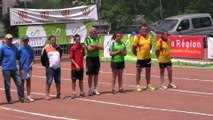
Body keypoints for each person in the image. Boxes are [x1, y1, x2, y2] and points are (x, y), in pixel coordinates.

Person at [0, 34, 26, 104]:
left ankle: (21, 98)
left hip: (14, 68)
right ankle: (9, 99)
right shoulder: (2, 48)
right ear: (6, 39)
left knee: (19, 83)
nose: (10, 40)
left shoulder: (14, 47)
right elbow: (0, 57)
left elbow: (17, 56)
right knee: (7, 85)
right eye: (8, 39)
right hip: (6, 69)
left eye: (11, 39)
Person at [132, 24, 156, 92]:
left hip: (148, 58)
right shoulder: (137, 38)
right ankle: (138, 86)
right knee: (139, 72)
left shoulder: (149, 37)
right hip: (140, 58)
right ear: (140, 30)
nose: (144, 31)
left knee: (148, 71)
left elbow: (150, 46)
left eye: (145, 30)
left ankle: (148, 85)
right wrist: (138, 54)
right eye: (143, 29)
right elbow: (133, 49)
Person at [41, 35, 62, 100]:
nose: (53, 41)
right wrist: (47, 65)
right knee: (49, 81)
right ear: (49, 41)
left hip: (57, 67)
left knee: (58, 81)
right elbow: (42, 58)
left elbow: (60, 56)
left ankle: (58, 93)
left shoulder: (58, 48)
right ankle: (47, 95)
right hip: (50, 68)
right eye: (52, 40)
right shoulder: (46, 48)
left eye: (54, 40)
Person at [84, 27, 103, 96]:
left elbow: (102, 47)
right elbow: (89, 49)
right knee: (90, 75)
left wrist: (94, 45)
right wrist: (97, 47)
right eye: (92, 32)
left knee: (96, 74)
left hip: (96, 58)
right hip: (90, 59)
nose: (94, 33)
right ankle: (90, 89)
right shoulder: (87, 39)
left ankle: (95, 89)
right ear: (90, 32)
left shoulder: (98, 39)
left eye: (95, 31)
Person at [18, 36, 35, 102]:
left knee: (28, 81)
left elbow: (33, 58)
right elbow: (17, 57)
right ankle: (22, 96)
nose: (26, 41)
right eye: (24, 40)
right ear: (23, 41)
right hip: (22, 68)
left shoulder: (31, 48)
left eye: (27, 40)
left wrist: (32, 63)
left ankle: (29, 95)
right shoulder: (20, 49)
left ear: (28, 40)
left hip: (29, 68)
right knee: (22, 82)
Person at [70, 34, 85, 99]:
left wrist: (82, 65)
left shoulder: (82, 47)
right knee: (74, 80)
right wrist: (76, 65)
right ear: (75, 40)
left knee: (81, 80)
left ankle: (81, 92)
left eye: (79, 39)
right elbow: (71, 58)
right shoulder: (72, 48)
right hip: (74, 68)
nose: (78, 41)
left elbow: (83, 56)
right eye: (77, 39)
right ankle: (73, 93)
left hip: (81, 67)